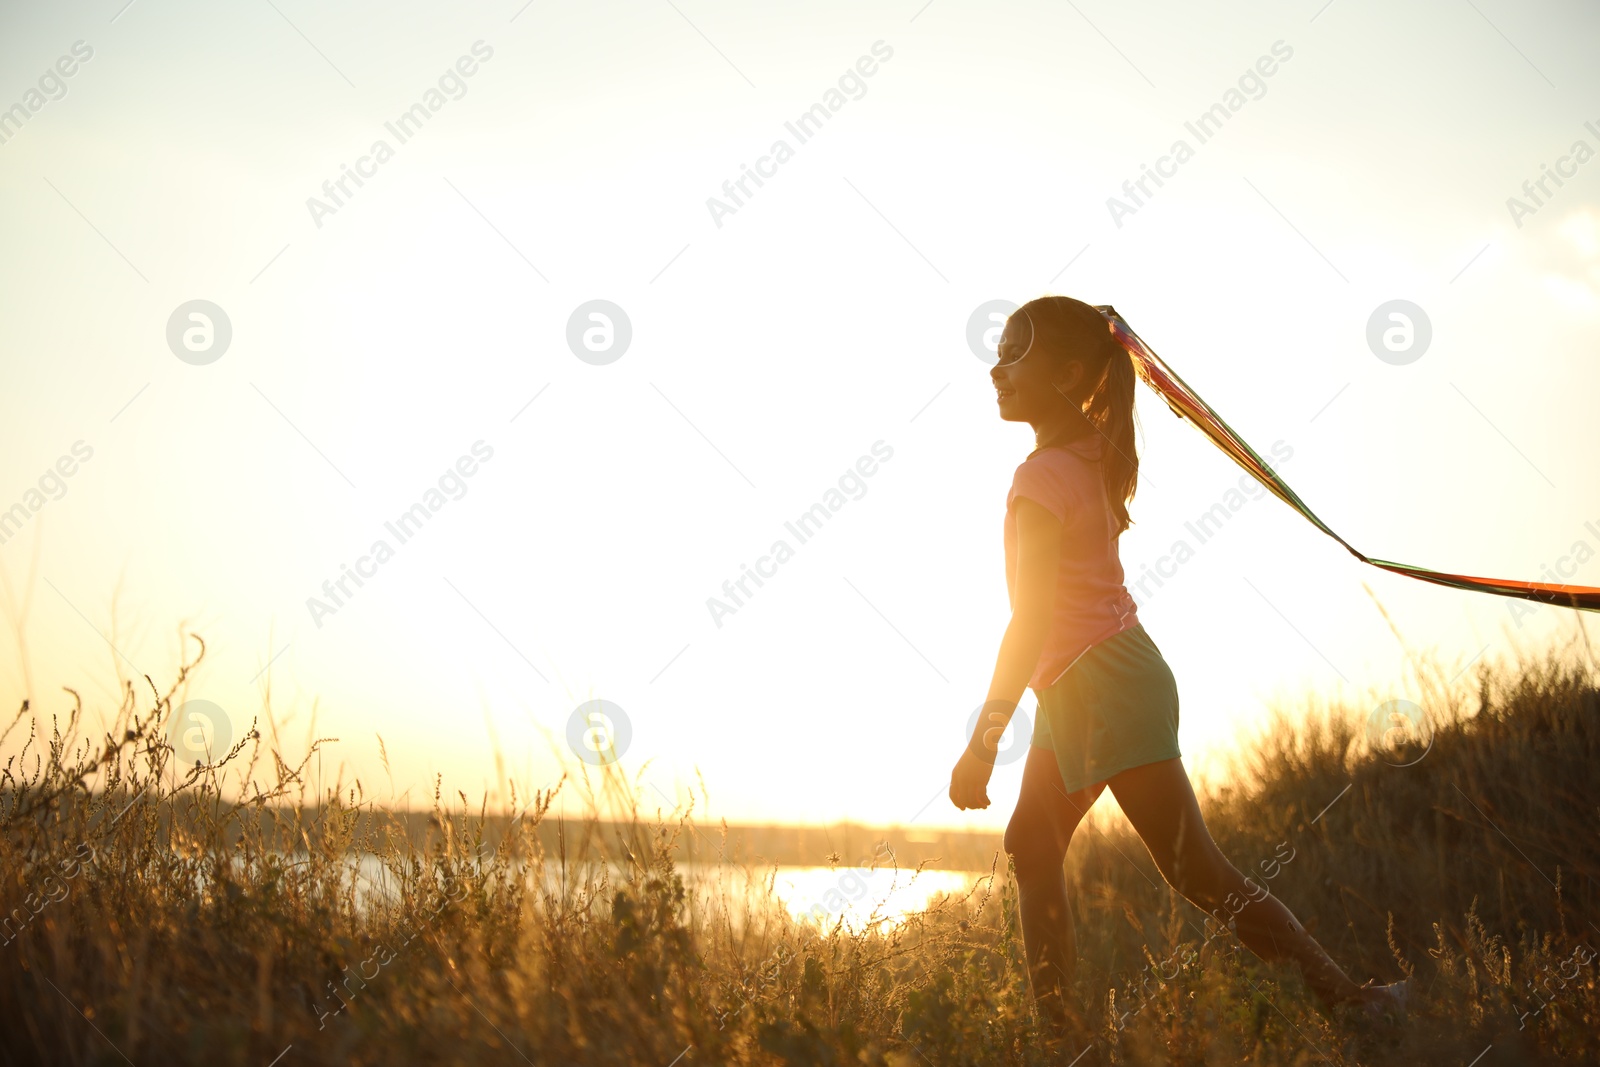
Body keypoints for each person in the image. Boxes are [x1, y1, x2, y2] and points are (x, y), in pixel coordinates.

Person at [947, 296, 1407, 1048]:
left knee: (1197, 872)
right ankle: (1061, 1038)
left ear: (1065, 372)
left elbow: (1029, 622)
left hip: (1108, 684)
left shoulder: (1041, 477)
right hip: (1084, 685)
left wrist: (984, 736)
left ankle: (1356, 1004)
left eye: (1013, 353)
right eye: (995, 353)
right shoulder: (1090, 448)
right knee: (1033, 842)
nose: (995, 369)